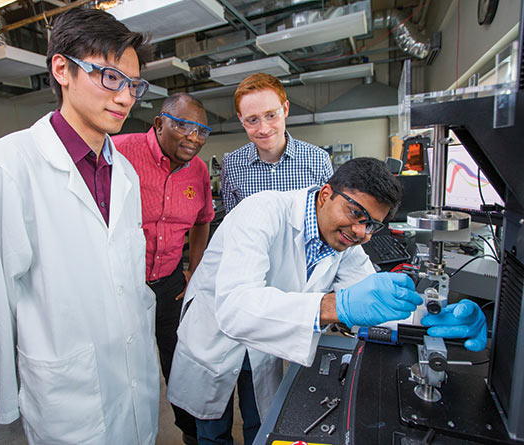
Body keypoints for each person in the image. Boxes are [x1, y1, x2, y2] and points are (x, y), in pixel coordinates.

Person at [0, 8, 160, 445]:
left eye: (133, 85)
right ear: (61, 68)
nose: (125, 98)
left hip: (134, 376)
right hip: (67, 394)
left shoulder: (126, 174)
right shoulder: (3, 167)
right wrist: (10, 392)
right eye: (110, 77)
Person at [167, 158, 487, 445]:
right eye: (355, 213)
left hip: (265, 343)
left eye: (371, 224)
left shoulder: (344, 243)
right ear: (325, 195)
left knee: (260, 421)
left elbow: (374, 303)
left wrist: (431, 320)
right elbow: (236, 308)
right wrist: (334, 306)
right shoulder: (260, 213)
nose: (361, 231)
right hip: (214, 337)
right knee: (212, 430)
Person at [113, 92, 215, 445]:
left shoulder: (198, 171)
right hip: (121, 286)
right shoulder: (118, 151)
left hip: (171, 283)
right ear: (159, 123)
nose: (193, 137)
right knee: (125, 366)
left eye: (202, 131)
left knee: (179, 362)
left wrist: (195, 269)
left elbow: (203, 220)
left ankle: (190, 433)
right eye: (184, 125)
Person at [220, 72, 334, 213]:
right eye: (252, 120)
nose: (264, 129)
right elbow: (233, 225)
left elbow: (329, 219)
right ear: (241, 119)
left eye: (271, 115)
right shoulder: (231, 165)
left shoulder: (318, 160)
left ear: (285, 109)